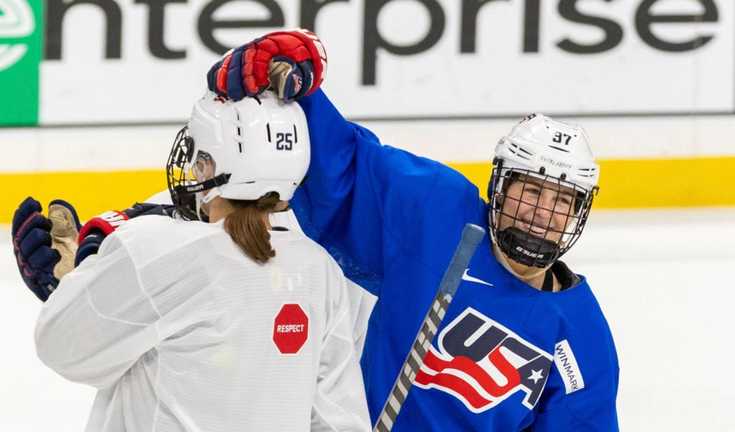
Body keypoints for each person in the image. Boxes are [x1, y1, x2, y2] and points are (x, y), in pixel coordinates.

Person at [205, 30, 620, 430]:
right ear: (500, 187)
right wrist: (298, 84)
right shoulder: (437, 212)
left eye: (562, 201)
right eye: (530, 191)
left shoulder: (582, 336)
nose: (541, 213)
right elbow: (346, 162)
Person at [12, 92, 371, 431]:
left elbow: (63, 347)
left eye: (199, 158)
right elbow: (340, 421)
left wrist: (82, 281)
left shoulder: (153, 248)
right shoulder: (320, 268)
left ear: (210, 164)